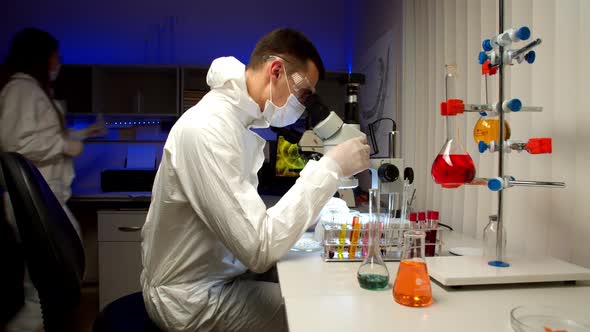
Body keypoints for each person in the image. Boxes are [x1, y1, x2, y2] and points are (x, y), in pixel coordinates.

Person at [140, 28, 370, 332]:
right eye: (303, 94)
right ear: (275, 71)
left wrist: (320, 212)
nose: (303, 105)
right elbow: (259, 248)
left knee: (310, 283)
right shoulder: (208, 130)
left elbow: (247, 222)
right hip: (190, 299)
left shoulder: (234, 121)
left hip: (222, 277)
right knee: (315, 311)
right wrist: (330, 168)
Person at [0, 27, 105, 332]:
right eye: (54, 56)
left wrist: (85, 132)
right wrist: (65, 144)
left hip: (46, 200)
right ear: (39, 56)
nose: (58, 61)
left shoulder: (31, 90)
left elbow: (42, 136)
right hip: (34, 203)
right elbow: (13, 143)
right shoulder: (22, 90)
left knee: (48, 286)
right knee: (49, 287)